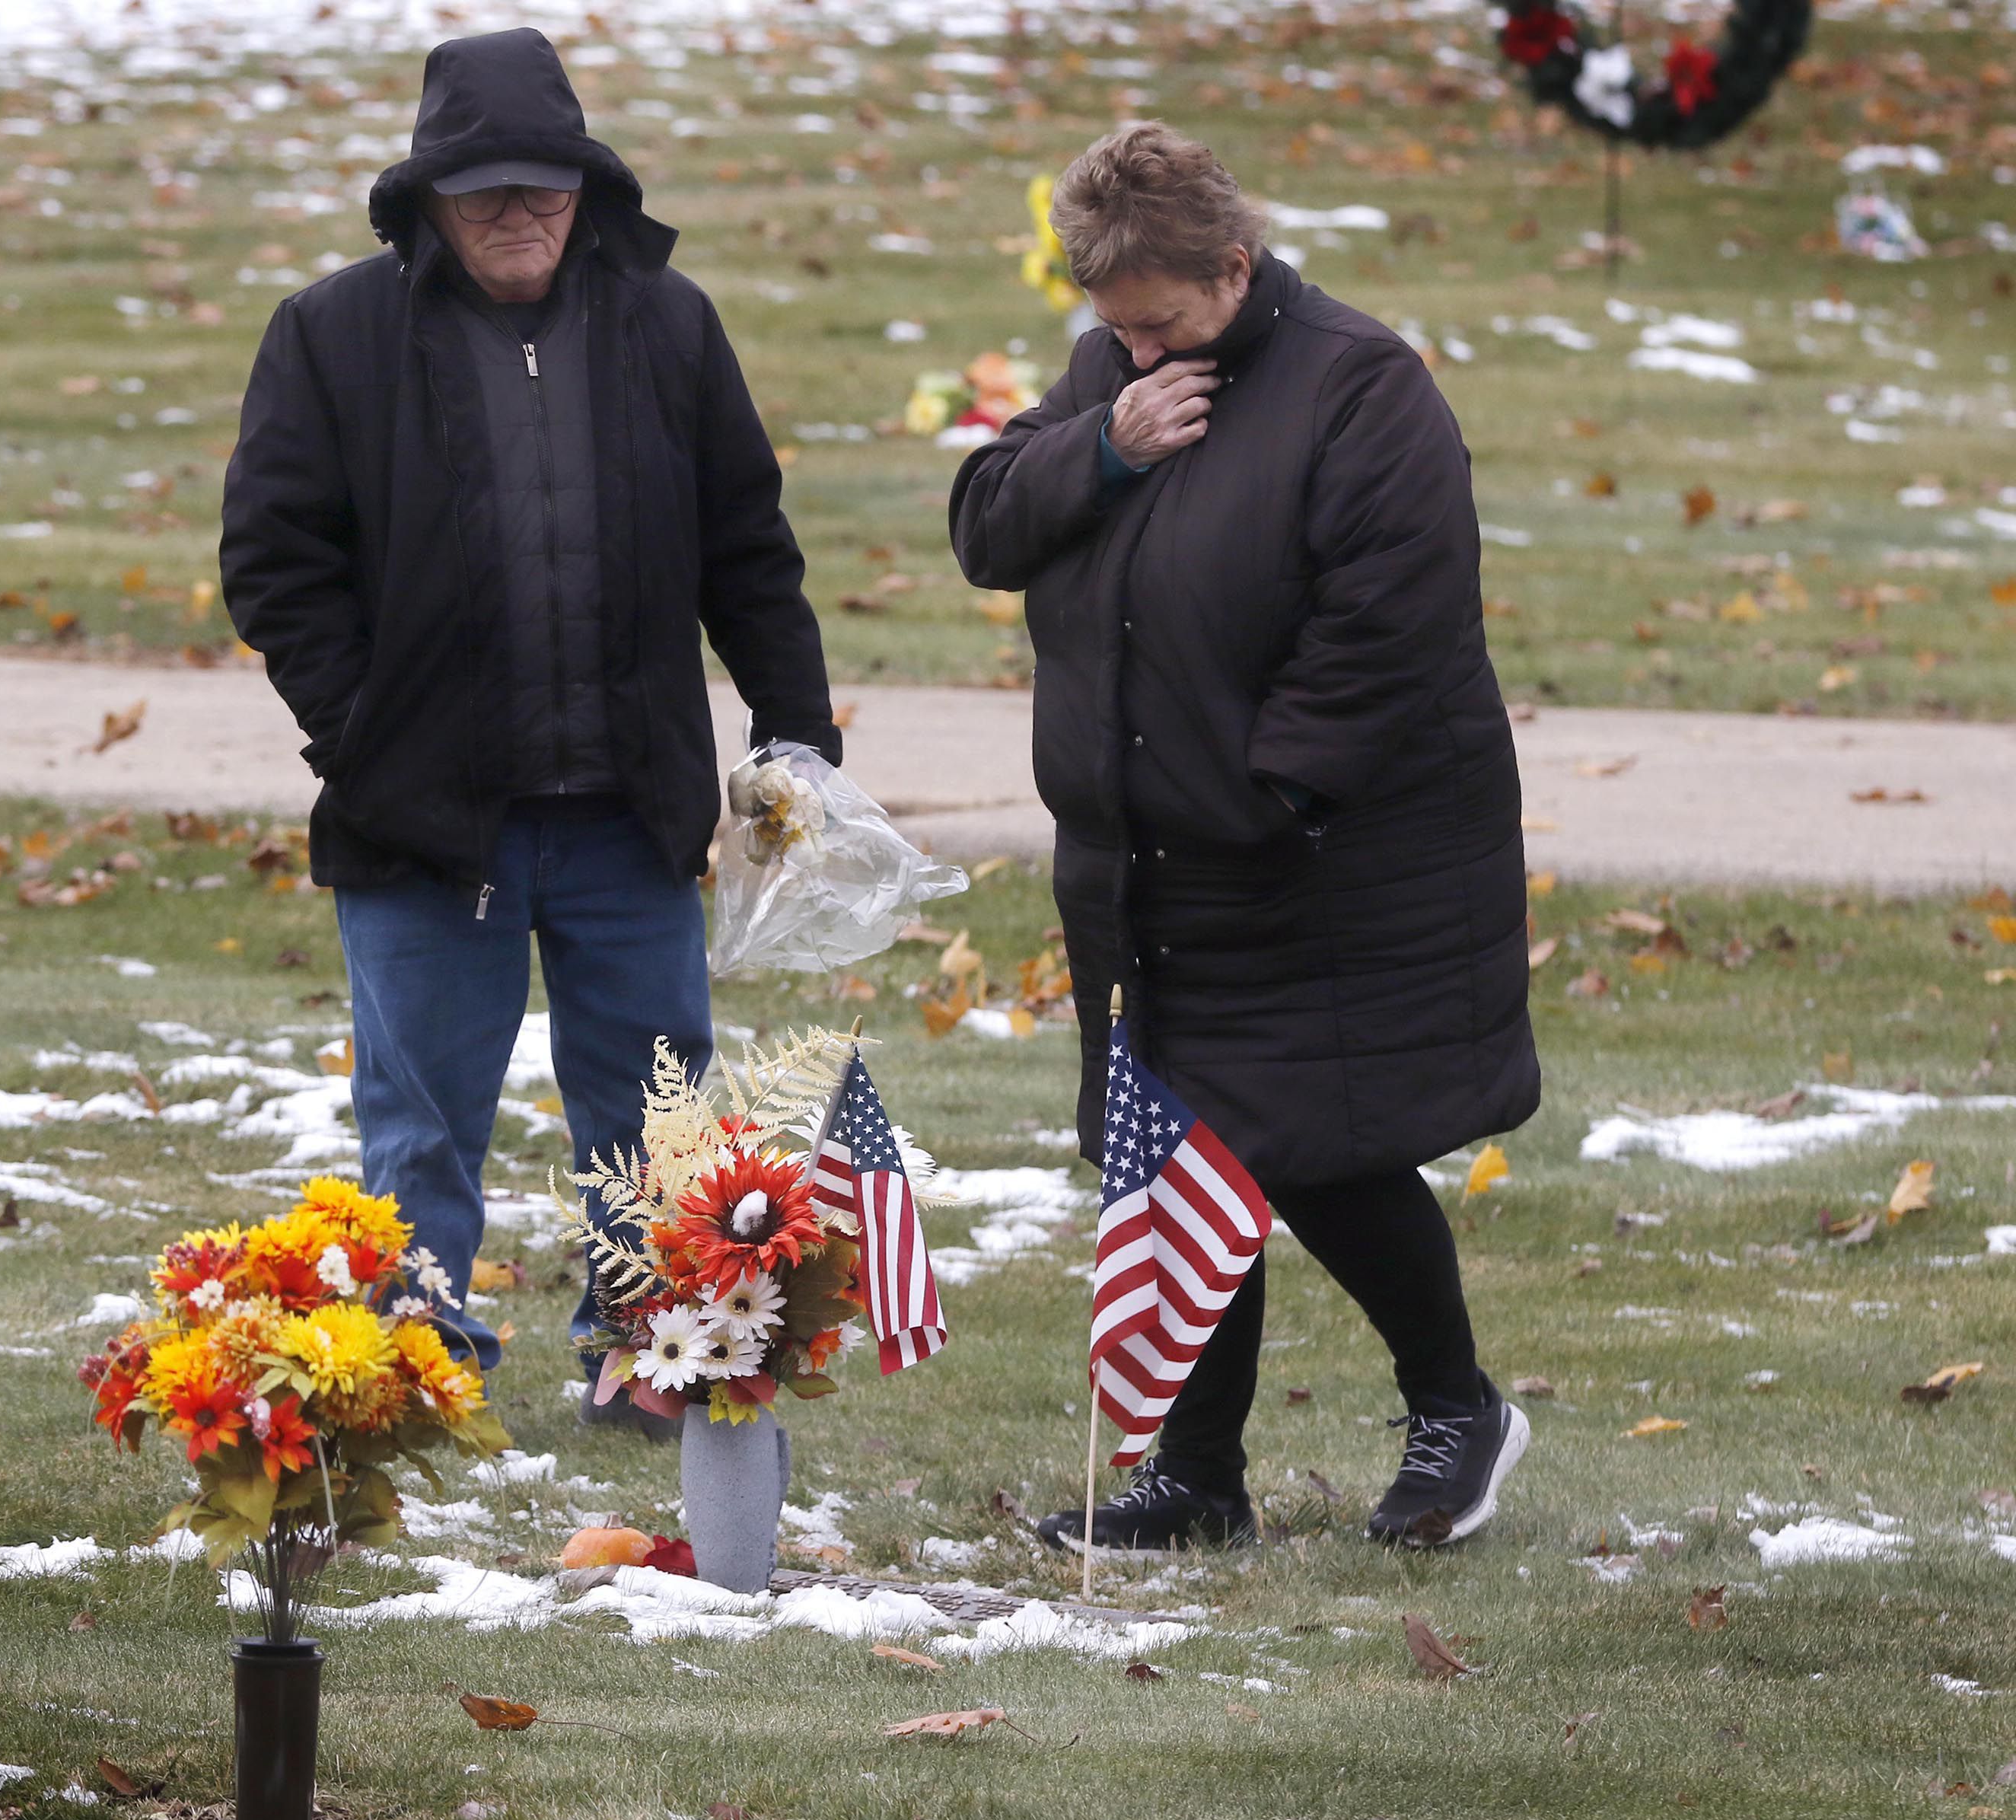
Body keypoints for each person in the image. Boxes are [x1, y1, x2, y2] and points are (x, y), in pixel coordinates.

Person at [219, 28, 842, 1434]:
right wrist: (361, 737)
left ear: (588, 185)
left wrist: (796, 724)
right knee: (420, 1128)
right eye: (488, 189)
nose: (521, 213)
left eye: (546, 187)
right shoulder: (333, 333)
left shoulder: (668, 325)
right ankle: (417, 1378)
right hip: (428, 829)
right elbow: (273, 561)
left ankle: (649, 1365)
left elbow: (749, 540)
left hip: (630, 816)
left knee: (653, 1119)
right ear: (429, 196)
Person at [948, 123, 1540, 1551]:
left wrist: (1271, 798)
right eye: (1111, 328)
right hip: (1146, 862)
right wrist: (1101, 446)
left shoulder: (1359, 387)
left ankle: (1461, 1412)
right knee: (1173, 1153)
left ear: (1232, 265)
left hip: (1313, 856)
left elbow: (1386, 629)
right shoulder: (1115, 380)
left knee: (1324, 1146)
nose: (1135, 351)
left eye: (1156, 323)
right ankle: (1196, 1480)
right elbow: (986, 523)